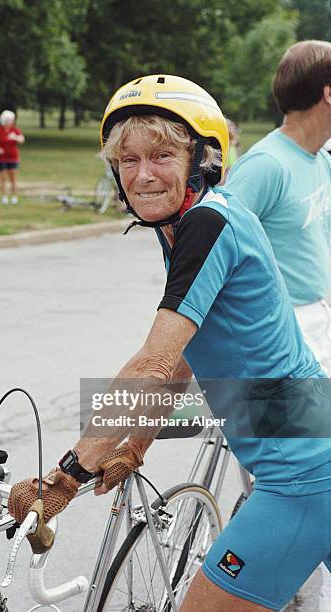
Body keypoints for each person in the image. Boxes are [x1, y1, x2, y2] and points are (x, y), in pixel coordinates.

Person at [8, 75, 331, 611]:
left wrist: (65, 475)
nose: (142, 174)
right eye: (127, 160)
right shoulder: (190, 221)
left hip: (301, 475)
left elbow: (153, 361)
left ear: (200, 158)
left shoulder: (205, 224)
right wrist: (135, 444)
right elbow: (183, 353)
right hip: (313, 433)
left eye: (161, 154)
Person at [225, 41, 331, 610]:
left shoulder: (321, 160)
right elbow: (210, 251)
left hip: (318, 330)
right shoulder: (264, 167)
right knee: (296, 494)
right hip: (271, 344)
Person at [0, 110, 25, 205]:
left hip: (13, 157)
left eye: (11, 120)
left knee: (13, 177)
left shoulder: (15, 130)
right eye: (7, 120)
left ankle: (14, 196)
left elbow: (22, 140)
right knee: (3, 178)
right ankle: (4, 197)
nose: (9, 122)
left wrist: (15, 137)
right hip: (2, 157)